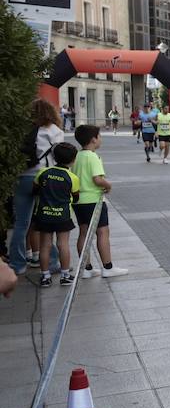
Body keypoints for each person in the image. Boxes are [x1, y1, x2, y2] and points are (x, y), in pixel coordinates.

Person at [10, 100, 64, 275]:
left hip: (22, 177)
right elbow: (58, 157)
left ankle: (17, 265)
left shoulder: (22, 131)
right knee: (47, 221)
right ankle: (53, 261)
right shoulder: (54, 131)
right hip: (44, 178)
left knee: (21, 223)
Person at [72, 125, 129, 279]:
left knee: (83, 232)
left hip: (78, 201)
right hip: (93, 201)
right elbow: (97, 179)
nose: (101, 139)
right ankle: (108, 266)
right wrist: (108, 185)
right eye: (100, 136)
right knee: (102, 232)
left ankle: (86, 268)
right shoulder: (93, 157)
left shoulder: (77, 156)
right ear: (93, 139)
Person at [33, 142, 81, 288]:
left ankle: (45, 277)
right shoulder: (72, 177)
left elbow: (34, 189)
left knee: (45, 245)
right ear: (73, 160)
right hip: (62, 216)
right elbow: (76, 197)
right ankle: (65, 275)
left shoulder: (43, 172)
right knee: (63, 244)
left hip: (43, 215)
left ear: (54, 157)